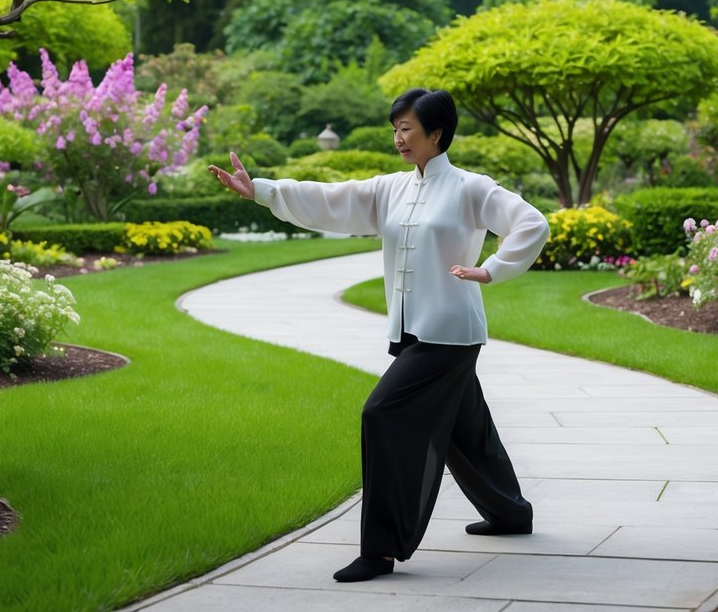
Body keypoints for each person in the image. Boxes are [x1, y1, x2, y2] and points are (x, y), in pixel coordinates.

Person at [208, 88, 550, 583]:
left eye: (407, 129)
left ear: (437, 134)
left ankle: (381, 550)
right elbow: (330, 201)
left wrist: (491, 269)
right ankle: (511, 513)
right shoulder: (392, 188)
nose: (398, 138)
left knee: (382, 415)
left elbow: (531, 223)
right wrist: (261, 190)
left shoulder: (472, 188)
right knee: (466, 430)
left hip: (450, 335)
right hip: (413, 332)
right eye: (395, 129)